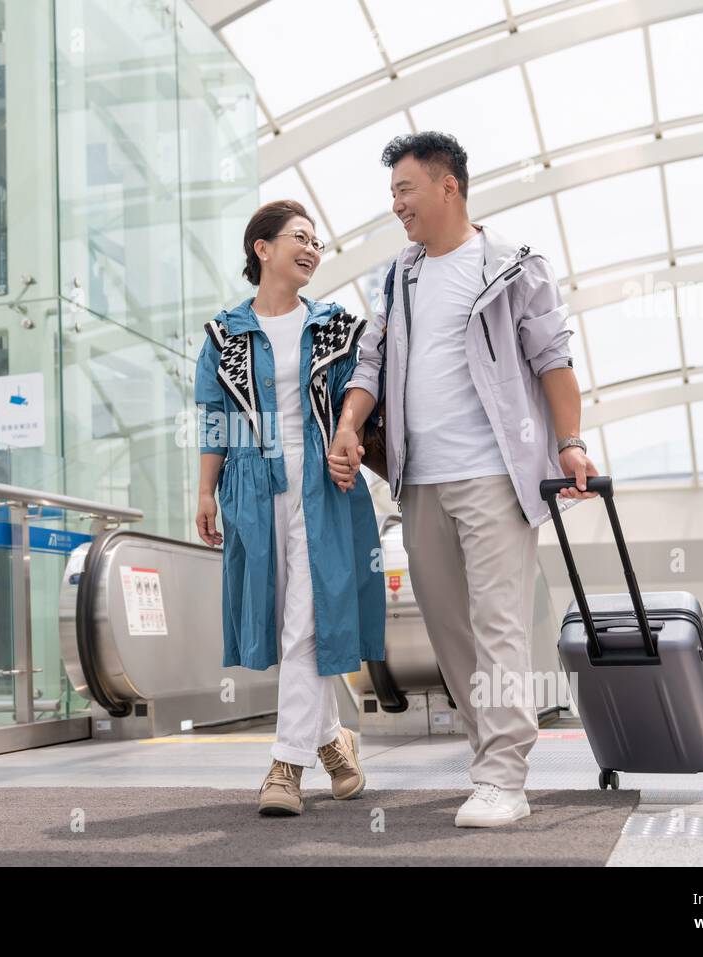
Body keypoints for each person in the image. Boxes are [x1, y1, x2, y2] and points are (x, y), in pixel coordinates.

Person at [327, 132, 599, 827]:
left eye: (405, 190)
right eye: (391, 194)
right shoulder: (397, 278)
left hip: (493, 474)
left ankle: (505, 773)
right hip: (419, 481)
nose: (396, 206)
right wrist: (352, 423)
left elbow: (553, 361)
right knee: (451, 630)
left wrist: (569, 443)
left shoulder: (512, 266)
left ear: (448, 186)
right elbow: (368, 362)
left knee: (498, 622)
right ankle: (489, 757)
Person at [194, 199, 386, 817]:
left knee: (309, 616)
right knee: (285, 622)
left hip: (323, 487)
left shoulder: (334, 326)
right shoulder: (224, 335)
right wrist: (205, 491)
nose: (311, 249)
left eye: (317, 242)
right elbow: (214, 420)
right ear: (263, 248)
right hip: (252, 487)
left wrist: (348, 439)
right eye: (299, 238)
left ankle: (284, 767)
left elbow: (363, 394)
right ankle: (333, 741)